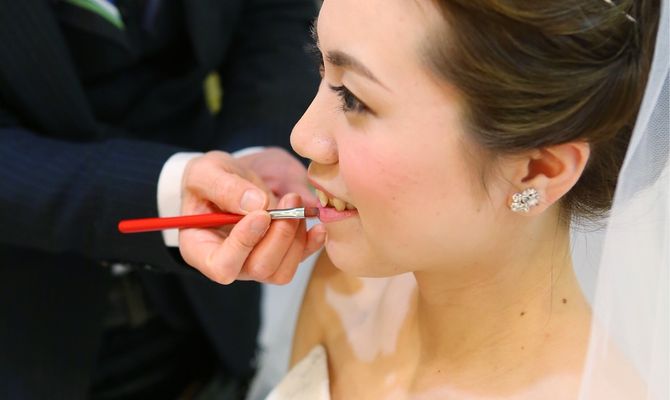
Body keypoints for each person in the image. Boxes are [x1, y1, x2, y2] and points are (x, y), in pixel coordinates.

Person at [246, 0, 668, 399]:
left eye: (353, 98)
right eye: (322, 67)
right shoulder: (348, 288)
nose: (301, 136)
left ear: (538, 171)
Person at [0, 0, 325, 398]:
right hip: (28, 341)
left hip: (211, 321)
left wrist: (253, 150)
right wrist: (164, 189)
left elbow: (273, 15)